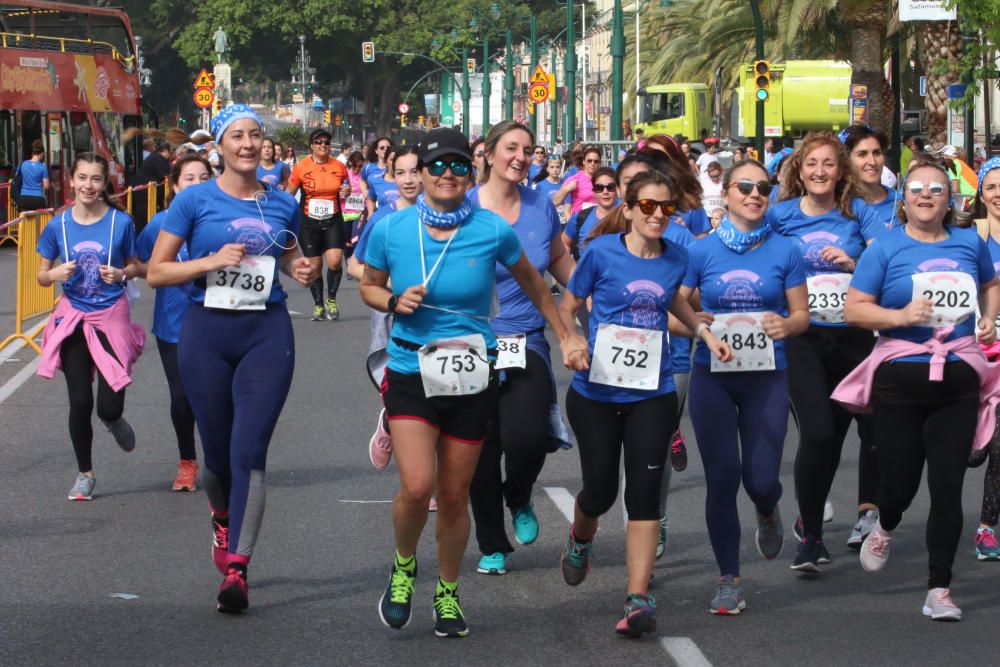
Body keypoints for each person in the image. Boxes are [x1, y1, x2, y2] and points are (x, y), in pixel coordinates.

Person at [360, 127, 586, 638]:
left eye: (458, 165)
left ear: (471, 170)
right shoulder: (391, 228)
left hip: (471, 372)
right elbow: (369, 287)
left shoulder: (491, 230)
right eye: (437, 165)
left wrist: (565, 331)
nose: (447, 175)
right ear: (419, 172)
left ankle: (447, 591)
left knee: (455, 494)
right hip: (411, 370)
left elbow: (535, 280)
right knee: (417, 487)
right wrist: (394, 301)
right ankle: (402, 567)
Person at [147, 104, 317, 613]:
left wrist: (298, 267)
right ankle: (220, 514)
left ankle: (238, 569)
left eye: (255, 136)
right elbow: (156, 272)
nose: (247, 144)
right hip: (205, 333)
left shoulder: (283, 203)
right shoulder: (194, 201)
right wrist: (209, 261)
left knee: (249, 450)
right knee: (216, 457)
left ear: (265, 145)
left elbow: (285, 253)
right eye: (236, 136)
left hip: (266, 332)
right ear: (219, 146)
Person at [557, 169, 730, 637]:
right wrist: (571, 340)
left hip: (651, 394)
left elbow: (674, 300)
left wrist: (704, 332)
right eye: (648, 206)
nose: (658, 214)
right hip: (595, 393)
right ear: (629, 210)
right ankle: (580, 538)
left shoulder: (677, 256)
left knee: (643, 495)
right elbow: (568, 305)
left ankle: (637, 598)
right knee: (599, 491)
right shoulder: (600, 253)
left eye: (666, 207)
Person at [835, 157, 1000, 622]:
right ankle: (886, 523)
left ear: (950, 200)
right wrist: (899, 317)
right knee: (901, 484)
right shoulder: (885, 248)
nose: (926, 196)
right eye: (917, 190)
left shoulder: (969, 243)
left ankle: (939, 588)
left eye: (936, 190)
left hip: (957, 380)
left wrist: (987, 318)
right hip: (900, 379)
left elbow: (990, 284)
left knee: (947, 487)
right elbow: (855, 310)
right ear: (903, 200)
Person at [680, 159, 809, 613]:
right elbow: (677, 306)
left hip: (766, 376)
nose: (755, 195)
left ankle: (768, 506)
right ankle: (728, 577)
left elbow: (801, 315)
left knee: (760, 479)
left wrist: (786, 325)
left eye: (764, 188)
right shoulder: (700, 251)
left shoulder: (786, 250)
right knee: (721, 478)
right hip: (713, 377)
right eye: (746, 187)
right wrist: (697, 324)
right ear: (727, 193)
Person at [466, 121, 578, 576]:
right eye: (511, 148)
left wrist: (598, 291)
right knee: (480, 447)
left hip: (526, 338)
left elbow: (557, 260)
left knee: (526, 437)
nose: (520, 156)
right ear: (489, 154)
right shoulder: (464, 207)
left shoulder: (540, 207)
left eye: (528, 150)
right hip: (469, 341)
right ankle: (492, 543)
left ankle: (519, 493)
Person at [766, 131, 874, 571]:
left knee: (835, 438)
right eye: (812, 163)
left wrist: (855, 264)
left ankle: (808, 520)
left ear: (840, 170)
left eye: (829, 163)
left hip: (852, 337)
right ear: (799, 169)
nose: (820, 172)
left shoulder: (858, 213)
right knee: (816, 434)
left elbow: (886, 255)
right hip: (803, 337)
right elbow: (759, 255)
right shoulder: (781, 215)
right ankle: (811, 537)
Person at [35, 153, 143, 501]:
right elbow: (40, 275)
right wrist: (53, 275)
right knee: (79, 401)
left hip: (111, 313)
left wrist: (122, 274)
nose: (88, 186)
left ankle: (113, 420)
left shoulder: (120, 223)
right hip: (74, 316)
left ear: (104, 183)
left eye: (95, 179)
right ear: (71, 180)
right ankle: (85, 474)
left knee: (107, 406)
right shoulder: (58, 225)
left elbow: (136, 266)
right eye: (82, 178)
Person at [135, 154, 212, 491]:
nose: (197, 184)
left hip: (219, 321)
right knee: (182, 397)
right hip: (174, 325)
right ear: (176, 186)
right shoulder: (160, 224)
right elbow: (141, 264)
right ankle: (187, 461)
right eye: (189, 178)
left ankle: (223, 460)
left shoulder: (223, 221)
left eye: (204, 177)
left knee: (215, 396)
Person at [348, 147, 423, 475]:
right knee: (398, 385)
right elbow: (355, 265)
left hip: (431, 311)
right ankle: (390, 421)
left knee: (435, 393)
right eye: (401, 172)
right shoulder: (383, 217)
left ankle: (429, 479)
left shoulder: (444, 214)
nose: (409, 179)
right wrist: (390, 284)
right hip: (389, 309)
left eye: (415, 171)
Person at [286, 127, 350, 321]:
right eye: (319, 142)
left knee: (335, 261)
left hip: (333, 220)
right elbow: (289, 193)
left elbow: (346, 187)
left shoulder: (338, 166)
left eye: (326, 143)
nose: (323, 146)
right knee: (314, 266)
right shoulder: (302, 167)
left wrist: (346, 192)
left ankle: (331, 299)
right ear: (311, 146)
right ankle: (318, 305)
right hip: (308, 222)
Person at [970, 156, 1000, 561]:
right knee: (973, 450)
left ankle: (986, 525)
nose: (999, 194)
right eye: (992, 186)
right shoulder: (970, 236)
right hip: (973, 352)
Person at [843, 125, 899, 245]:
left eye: (877, 153)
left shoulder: (902, 202)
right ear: (846, 160)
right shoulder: (837, 204)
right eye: (862, 154)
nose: (872, 162)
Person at [561, 166, 618, 256]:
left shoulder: (628, 217)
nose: (605, 191)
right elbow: (564, 243)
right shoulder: (580, 217)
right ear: (594, 191)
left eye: (610, 187)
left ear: (617, 189)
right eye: (599, 188)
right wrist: (571, 269)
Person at [553, 146, 601, 216]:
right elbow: (555, 202)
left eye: (596, 161)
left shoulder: (603, 179)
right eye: (589, 161)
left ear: (599, 163)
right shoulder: (575, 179)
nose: (592, 164)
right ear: (584, 161)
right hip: (580, 222)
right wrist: (566, 189)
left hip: (598, 221)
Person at [15, 139, 50, 211]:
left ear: (33, 153)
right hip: (38, 199)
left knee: (24, 220)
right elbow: (46, 186)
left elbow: (16, 179)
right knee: (39, 220)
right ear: (41, 153)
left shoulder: (23, 164)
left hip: (24, 199)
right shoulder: (43, 166)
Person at [362, 137, 392, 217]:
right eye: (382, 148)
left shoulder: (395, 167)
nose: (385, 149)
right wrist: (364, 190)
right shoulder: (368, 167)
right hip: (371, 209)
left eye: (388, 148)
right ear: (376, 151)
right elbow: (362, 180)